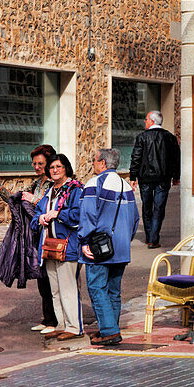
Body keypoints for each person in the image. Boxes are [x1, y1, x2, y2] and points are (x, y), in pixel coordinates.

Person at [0, 144, 57, 333]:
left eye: (40, 164)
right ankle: (47, 319)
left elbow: (52, 206)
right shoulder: (36, 184)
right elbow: (16, 199)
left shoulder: (55, 184)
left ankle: (55, 321)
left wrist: (34, 201)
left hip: (50, 235)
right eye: (34, 163)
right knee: (41, 277)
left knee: (51, 279)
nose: (36, 167)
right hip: (35, 236)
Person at [79, 148, 141, 347]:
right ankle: (109, 327)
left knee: (97, 288)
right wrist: (125, 240)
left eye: (94, 161)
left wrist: (83, 241)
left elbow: (88, 216)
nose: (93, 164)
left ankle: (109, 331)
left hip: (99, 247)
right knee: (113, 291)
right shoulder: (126, 186)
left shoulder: (94, 183)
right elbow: (135, 219)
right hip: (121, 248)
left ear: (103, 163)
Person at [30, 154, 84, 341]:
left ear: (66, 169)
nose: (54, 170)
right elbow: (37, 211)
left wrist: (57, 214)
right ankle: (61, 324)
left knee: (68, 288)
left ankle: (74, 327)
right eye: (52, 167)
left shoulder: (74, 189)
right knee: (55, 290)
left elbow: (78, 215)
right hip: (49, 246)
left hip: (67, 246)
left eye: (58, 167)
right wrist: (40, 217)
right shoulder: (50, 191)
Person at [129, 110, 180, 249]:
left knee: (147, 207)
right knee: (159, 208)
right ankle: (153, 238)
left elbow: (136, 158)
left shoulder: (142, 137)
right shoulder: (170, 137)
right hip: (163, 178)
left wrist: (133, 176)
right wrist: (176, 176)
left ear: (152, 121)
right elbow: (176, 159)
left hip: (145, 177)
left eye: (146, 119)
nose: (144, 122)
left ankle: (149, 236)